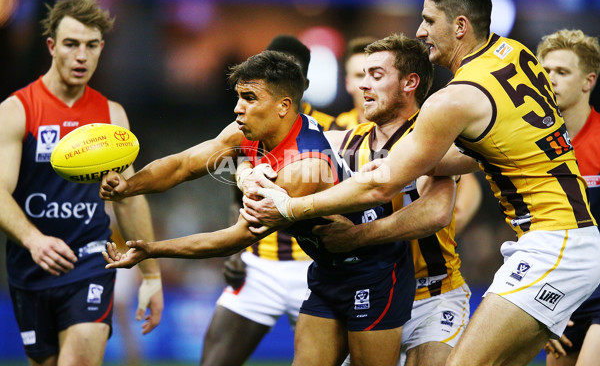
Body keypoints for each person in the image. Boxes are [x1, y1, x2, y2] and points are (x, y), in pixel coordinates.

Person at [241, 0, 600, 366]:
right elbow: (497, 149)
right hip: (565, 240)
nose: (421, 30)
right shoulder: (515, 54)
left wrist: (291, 209)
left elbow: (382, 185)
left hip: (552, 243)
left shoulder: (455, 99)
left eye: (429, 21)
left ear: (460, 26)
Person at [100, 49, 453, 366]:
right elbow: (184, 164)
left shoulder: (304, 166)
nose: (238, 108)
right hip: (328, 270)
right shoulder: (250, 132)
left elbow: (235, 239)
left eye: (250, 98)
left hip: (375, 273)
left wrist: (152, 250)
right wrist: (129, 186)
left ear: (283, 106)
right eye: (238, 97)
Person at [0, 0, 163, 366]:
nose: (81, 56)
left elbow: (130, 197)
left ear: (101, 48)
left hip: (92, 261)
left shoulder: (111, 116)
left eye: (91, 46)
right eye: (71, 44)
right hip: (32, 266)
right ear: (52, 46)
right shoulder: (16, 111)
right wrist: (33, 239)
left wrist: (151, 275)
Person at [316, 33, 470, 366]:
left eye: (376, 76)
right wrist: (250, 173)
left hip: (431, 295)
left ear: (409, 82)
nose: (363, 86)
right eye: (361, 76)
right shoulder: (343, 142)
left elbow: (436, 211)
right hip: (367, 290)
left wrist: (355, 237)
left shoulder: (435, 141)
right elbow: (278, 150)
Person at [202, 35, 318, 366]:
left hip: (312, 268)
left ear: (303, 83)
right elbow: (237, 193)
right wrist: (237, 250)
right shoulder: (247, 128)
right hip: (257, 267)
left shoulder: (331, 132)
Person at [536, 29, 600, 366]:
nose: (550, 80)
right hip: (565, 296)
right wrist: (546, 311)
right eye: (545, 72)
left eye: (561, 72)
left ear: (588, 81)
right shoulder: (533, 147)